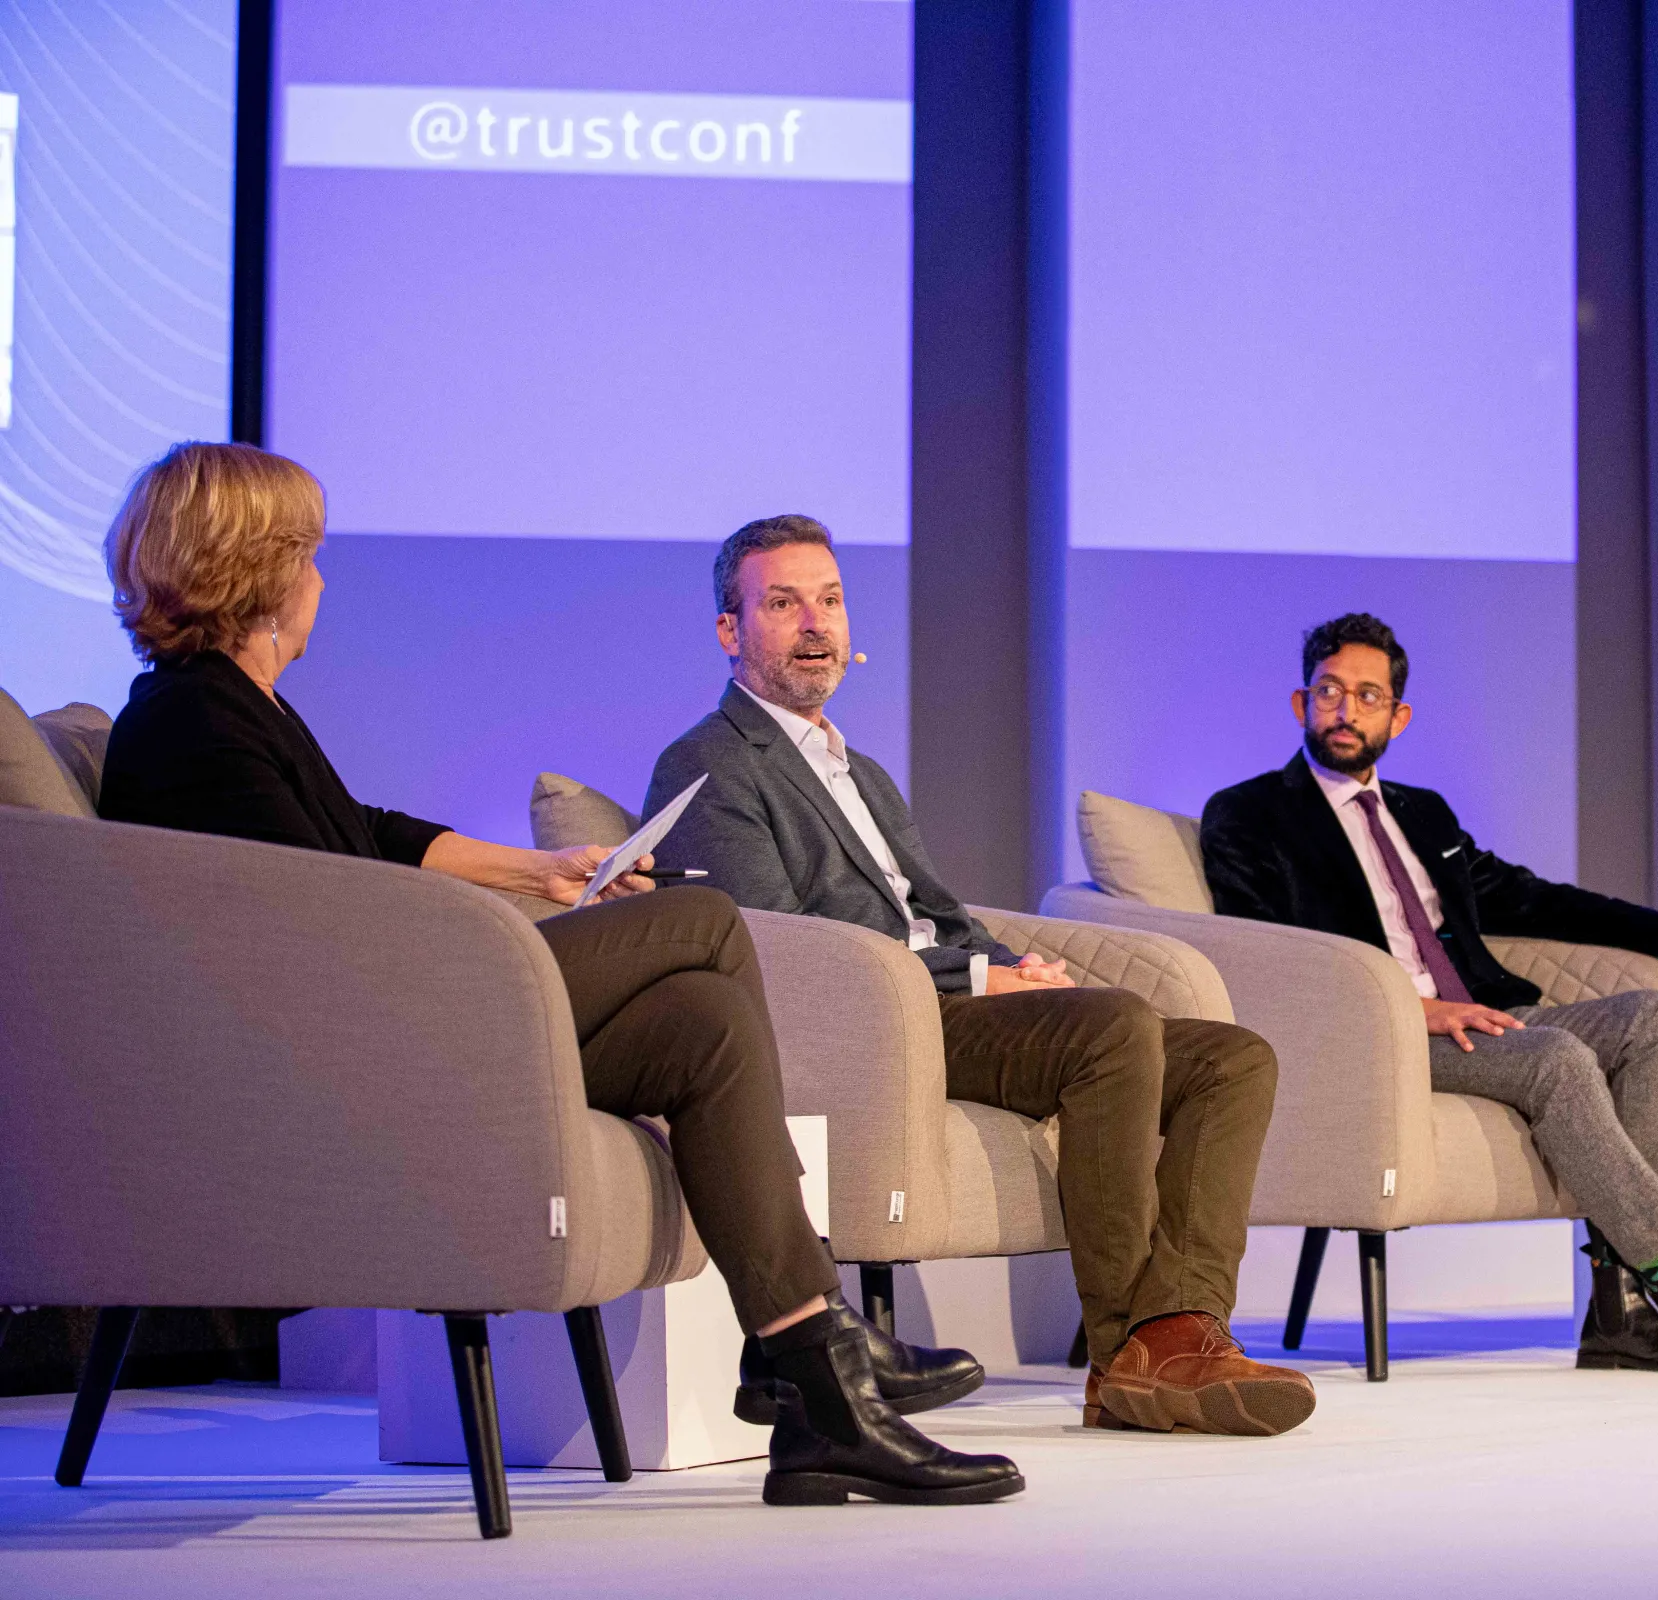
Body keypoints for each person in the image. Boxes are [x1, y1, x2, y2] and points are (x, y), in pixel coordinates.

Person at [96, 442, 1021, 1507]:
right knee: (704, 920)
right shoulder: (193, 724)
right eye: (306, 554)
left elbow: (365, 835)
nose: (319, 579)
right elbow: (325, 914)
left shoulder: (234, 709)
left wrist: (538, 870)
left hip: (404, 1002)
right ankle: (808, 1353)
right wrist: (498, 931)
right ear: (255, 568)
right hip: (380, 1029)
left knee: (704, 1022)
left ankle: (810, 1380)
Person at [646, 514, 1314, 1437]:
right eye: (784, 603)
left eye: (831, 601)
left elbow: (938, 910)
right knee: (1112, 1027)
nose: (816, 624)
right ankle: (1128, 1355)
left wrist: (1015, 967)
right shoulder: (710, 763)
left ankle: (1182, 1326)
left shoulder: (861, 772)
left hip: (940, 998)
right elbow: (779, 945)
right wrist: (973, 981)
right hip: (873, 1027)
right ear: (730, 631)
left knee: (1233, 1059)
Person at [1202, 613, 1658, 1373]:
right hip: (1384, 1037)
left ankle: (1619, 1314)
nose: (1346, 709)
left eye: (1368, 696)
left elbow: (1531, 898)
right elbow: (1270, 947)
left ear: (1397, 716)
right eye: (1330, 691)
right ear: (1301, 704)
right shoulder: (1248, 813)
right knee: (1555, 1057)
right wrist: (1407, 1005)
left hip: (1491, 1015)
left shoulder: (1422, 812)